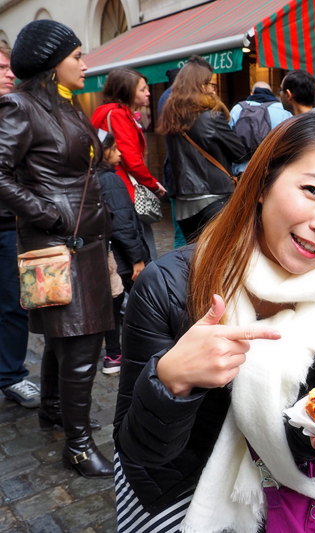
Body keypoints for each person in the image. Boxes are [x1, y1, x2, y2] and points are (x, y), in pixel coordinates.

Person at [113, 113, 315, 532]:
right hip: (181, 497)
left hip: (287, 500)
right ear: (263, 183)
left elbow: (299, 435)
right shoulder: (168, 287)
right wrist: (171, 382)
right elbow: (139, 453)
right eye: (312, 190)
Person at [0, 20, 115, 477]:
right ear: (51, 64)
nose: (85, 64)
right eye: (77, 56)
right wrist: (47, 214)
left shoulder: (62, 103)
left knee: (62, 337)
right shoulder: (20, 105)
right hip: (60, 243)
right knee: (81, 343)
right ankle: (79, 446)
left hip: (82, 240)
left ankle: (53, 408)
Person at [159, 59, 246, 242]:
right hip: (213, 197)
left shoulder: (171, 117)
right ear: (201, 85)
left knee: (195, 253)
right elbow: (239, 153)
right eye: (211, 84)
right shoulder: (210, 117)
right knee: (223, 253)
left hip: (183, 204)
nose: (214, 89)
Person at [91, 68, 167, 262]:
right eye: (142, 90)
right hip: (123, 187)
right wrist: (153, 184)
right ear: (126, 92)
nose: (148, 93)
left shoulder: (104, 112)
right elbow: (132, 159)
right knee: (140, 244)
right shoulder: (118, 115)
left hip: (110, 184)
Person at [0, 40, 40, 409]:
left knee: (15, 304)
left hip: (9, 225)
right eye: (1, 68)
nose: (9, 74)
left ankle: (11, 375)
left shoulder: (16, 110)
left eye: (9, 67)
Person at [96, 133, 150, 375]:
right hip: (121, 258)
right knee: (138, 303)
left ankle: (112, 355)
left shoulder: (90, 177)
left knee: (111, 305)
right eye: (114, 148)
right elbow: (122, 224)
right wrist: (137, 259)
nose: (119, 153)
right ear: (103, 151)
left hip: (105, 255)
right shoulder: (110, 180)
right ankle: (132, 352)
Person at [228, 81, 292, 175]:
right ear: (271, 92)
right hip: (272, 171)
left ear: (252, 93)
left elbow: (228, 139)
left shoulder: (238, 108)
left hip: (243, 171)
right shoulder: (282, 109)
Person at [159, 66, 187, 249]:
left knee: (179, 227)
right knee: (182, 230)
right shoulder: (176, 97)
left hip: (172, 171)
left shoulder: (164, 97)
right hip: (181, 174)